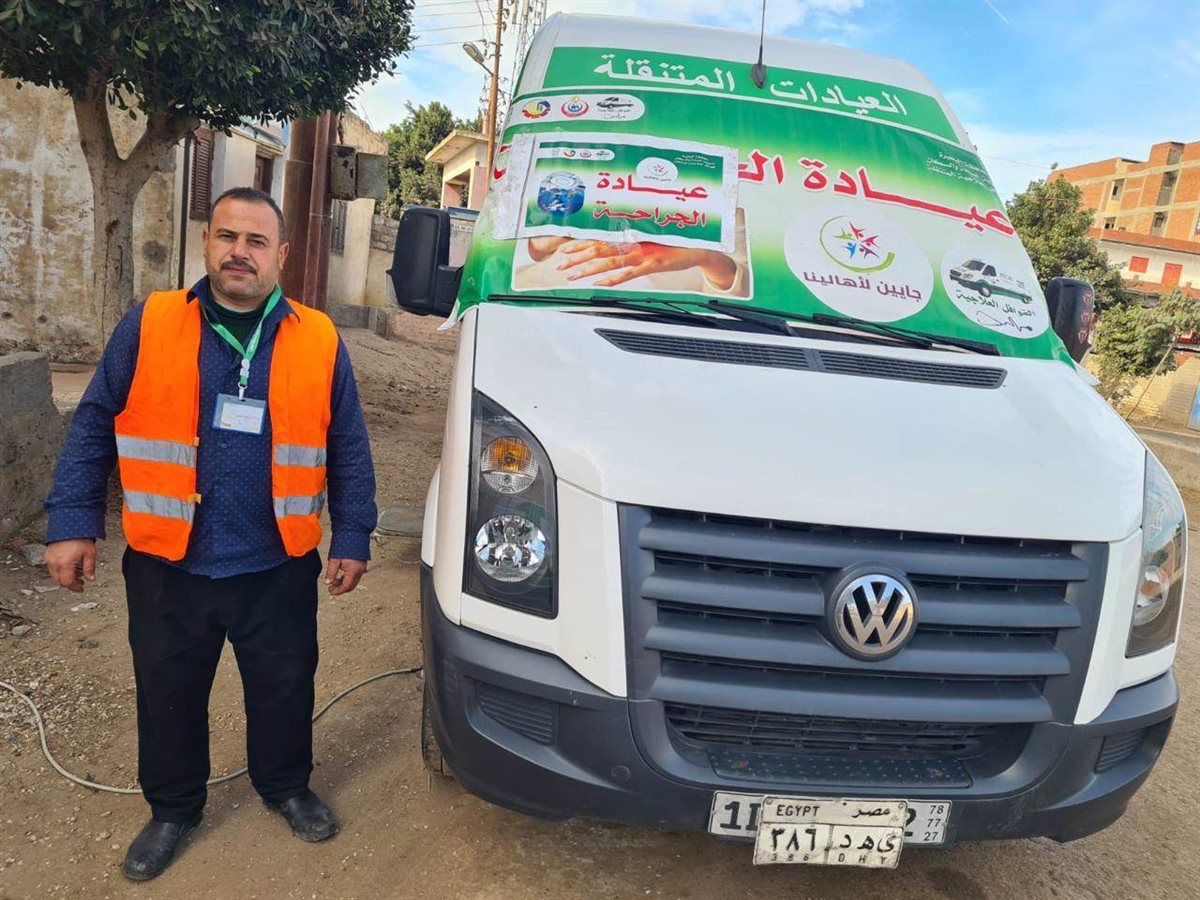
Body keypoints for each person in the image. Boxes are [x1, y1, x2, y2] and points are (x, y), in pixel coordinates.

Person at [43, 186, 378, 881]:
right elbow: (95, 420)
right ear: (206, 243)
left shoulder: (317, 337)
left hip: (276, 562)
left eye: (256, 241)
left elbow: (347, 442)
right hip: (170, 563)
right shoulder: (151, 322)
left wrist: (352, 534)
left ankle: (285, 786)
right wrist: (73, 522)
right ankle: (172, 809)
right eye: (227, 236)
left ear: (281, 254)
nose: (239, 252)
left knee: (285, 686)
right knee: (167, 693)